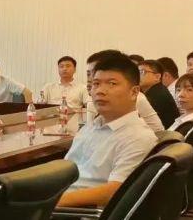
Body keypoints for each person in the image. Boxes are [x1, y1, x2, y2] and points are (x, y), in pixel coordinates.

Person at [59, 52, 157, 208]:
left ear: (134, 92)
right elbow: (66, 168)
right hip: (59, 196)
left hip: (74, 214)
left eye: (112, 84)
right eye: (96, 84)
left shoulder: (139, 137)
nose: (100, 91)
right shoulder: (92, 126)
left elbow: (115, 191)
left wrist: (49, 203)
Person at [84, 49, 164, 133]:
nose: (90, 79)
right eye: (88, 74)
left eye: (96, 72)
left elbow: (158, 130)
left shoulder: (133, 98)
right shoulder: (94, 98)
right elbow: (91, 130)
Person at [138, 59, 179, 128]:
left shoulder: (158, 94)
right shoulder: (154, 91)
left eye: (142, 72)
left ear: (157, 77)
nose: (137, 76)